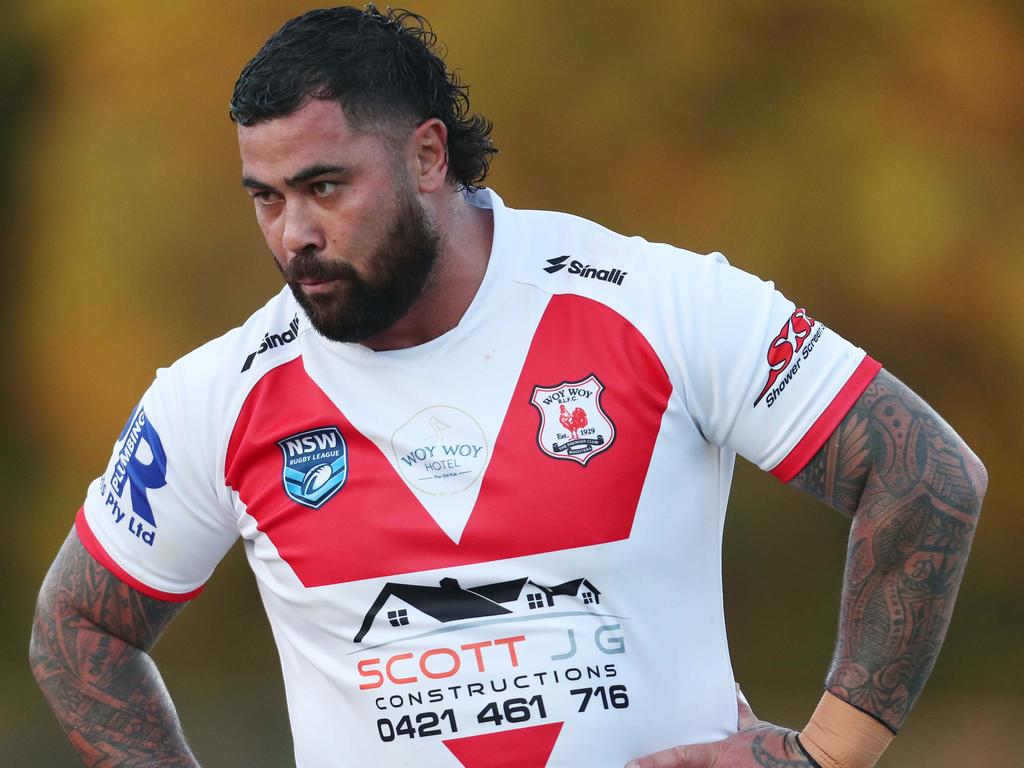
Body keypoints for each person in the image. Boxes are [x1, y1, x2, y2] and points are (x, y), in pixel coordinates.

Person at [29, 6, 986, 768]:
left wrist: (828, 754)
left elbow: (926, 475)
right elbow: (79, 627)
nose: (293, 236)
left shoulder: (662, 305)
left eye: (325, 186)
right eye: (266, 197)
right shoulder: (218, 395)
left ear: (428, 157)